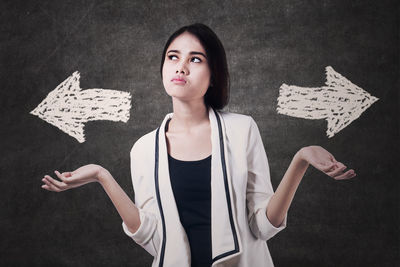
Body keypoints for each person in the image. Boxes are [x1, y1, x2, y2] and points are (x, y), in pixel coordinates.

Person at [41, 23, 356, 267]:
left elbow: (263, 225)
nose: (181, 67)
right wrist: (101, 176)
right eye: (173, 57)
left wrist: (301, 160)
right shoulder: (143, 149)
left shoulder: (242, 129)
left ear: (213, 74)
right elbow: (154, 240)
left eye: (195, 59)